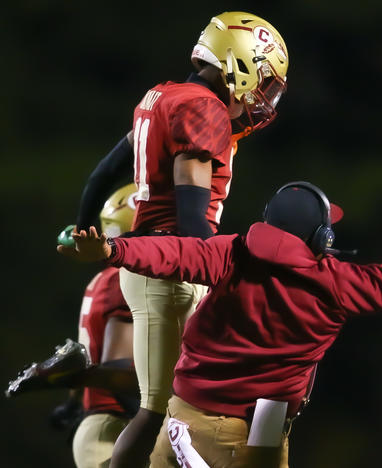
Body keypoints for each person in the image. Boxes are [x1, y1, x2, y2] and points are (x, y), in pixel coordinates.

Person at [59, 145, 382, 467]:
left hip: (185, 416)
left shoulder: (233, 253)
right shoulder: (334, 281)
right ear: (319, 237)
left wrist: (113, 248)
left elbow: (172, 253)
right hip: (252, 434)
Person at [68, 12, 289, 466]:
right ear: (241, 64)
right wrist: (216, 269)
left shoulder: (163, 95)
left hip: (151, 261)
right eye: (264, 82)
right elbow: (191, 209)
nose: (263, 97)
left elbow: (101, 175)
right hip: (174, 266)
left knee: (174, 409)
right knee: (162, 412)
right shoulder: (203, 108)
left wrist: (81, 225)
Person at [7, 185, 139, 468]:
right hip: (116, 427)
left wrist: (71, 401)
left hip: (104, 424)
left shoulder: (107, 278)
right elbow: (119, 368)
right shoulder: (126, 280)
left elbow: (86, 357)